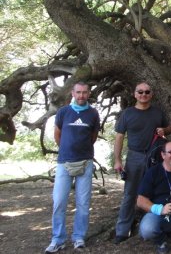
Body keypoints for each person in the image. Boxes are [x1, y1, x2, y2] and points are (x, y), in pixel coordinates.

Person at [45, 82, 101, 253]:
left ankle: (79, 237)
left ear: (89, 93)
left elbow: (93, 136)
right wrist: (68, 149)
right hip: (64, 162)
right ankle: (58, 239)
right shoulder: (63, 112)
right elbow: (58, 135)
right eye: (78, 92)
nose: (81, 96)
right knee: (59, 202)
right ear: (73, 92)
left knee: (83, 203)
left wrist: (81, 151)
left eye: (84, 93)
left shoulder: (93, 113)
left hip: (85, 162)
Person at [114, 81, 171, 244]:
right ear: (135, 94)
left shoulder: (157, 113)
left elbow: (169, 128)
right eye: (140, 92)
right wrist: (117, 160)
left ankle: (156, 227)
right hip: (134, 157)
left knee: (157, 192)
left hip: (155, 157)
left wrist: (164, 131)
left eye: (147, 92)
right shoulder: (127, 113)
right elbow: (119, 137)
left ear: (151, 94)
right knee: (130, 194)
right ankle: (122, 231)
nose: (143, 95)